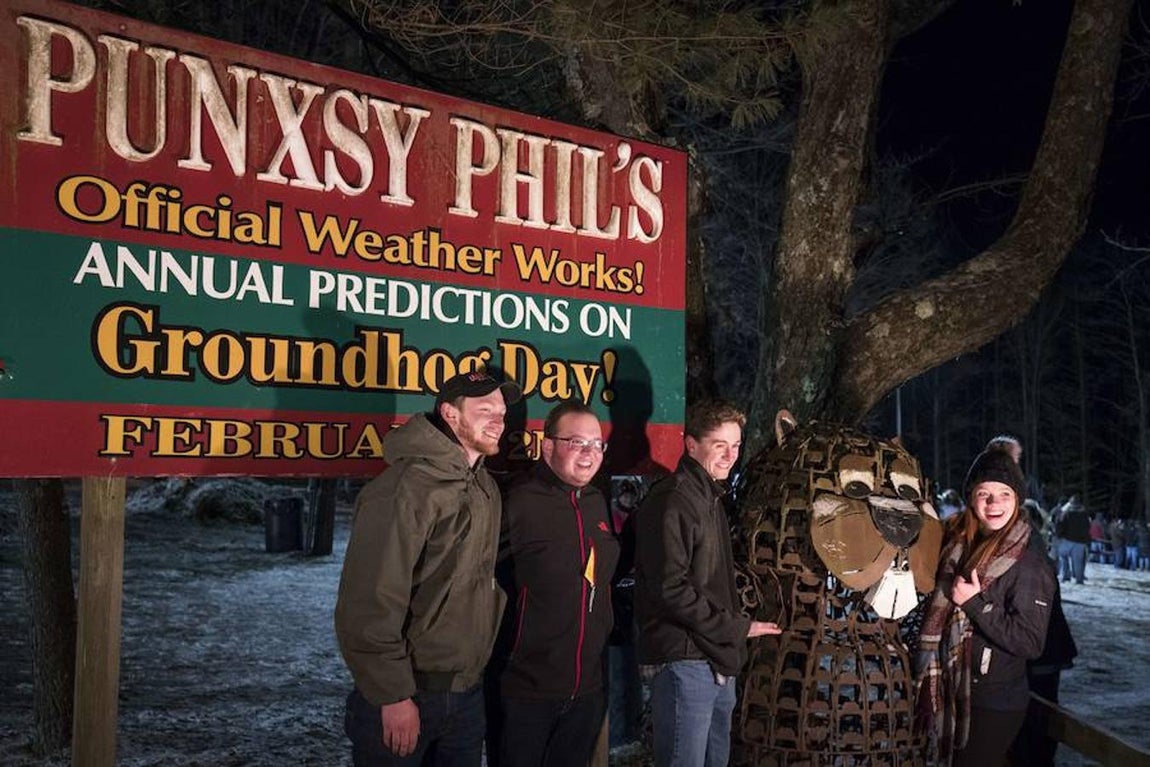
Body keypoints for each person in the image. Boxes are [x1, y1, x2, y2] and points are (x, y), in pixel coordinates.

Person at [335, 370, 521, 766]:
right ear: (450, 415)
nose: (498, 421)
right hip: (409, 694)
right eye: (484, 409)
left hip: (466, 695)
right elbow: (370, 600)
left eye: (501, 412)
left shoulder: (484, 486)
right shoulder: (405, 488)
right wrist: (394, 695)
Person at [634, 399, 781, 767]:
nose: (731, 455)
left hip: (713, 659)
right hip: (687, 661)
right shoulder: (675, 498)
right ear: (691, 444)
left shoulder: (709, 496)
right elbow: (671, 587)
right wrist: (734, 627)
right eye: (720, 446)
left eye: (735, 446)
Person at [495, 401, 620, 767]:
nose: (589, 454)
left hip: (587, 691)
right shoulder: (517, 502)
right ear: (547, 447)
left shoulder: (596, 502)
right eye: (576, 442)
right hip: (525, 694)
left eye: (597, 444)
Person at [915, 445, 1056, 767]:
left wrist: (976, 604)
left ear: (1018, 498)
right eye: (984, 493)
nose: (994, 504)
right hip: (954, 689)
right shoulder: (958, 545)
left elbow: (1030, 642)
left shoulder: (1029, 562)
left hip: (994, 701)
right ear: (971, 497)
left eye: (1004, 494)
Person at [1054, 496, 1090, 585]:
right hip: (1080, 542)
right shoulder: (1084, 514)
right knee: (1078, 561)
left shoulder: (1066, 513)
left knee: (1063, 557)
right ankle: (1079, 579)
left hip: (1067, 539)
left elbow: (1060, 524)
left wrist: (1059, 535)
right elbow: (1087, 528)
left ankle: (1066, 575)